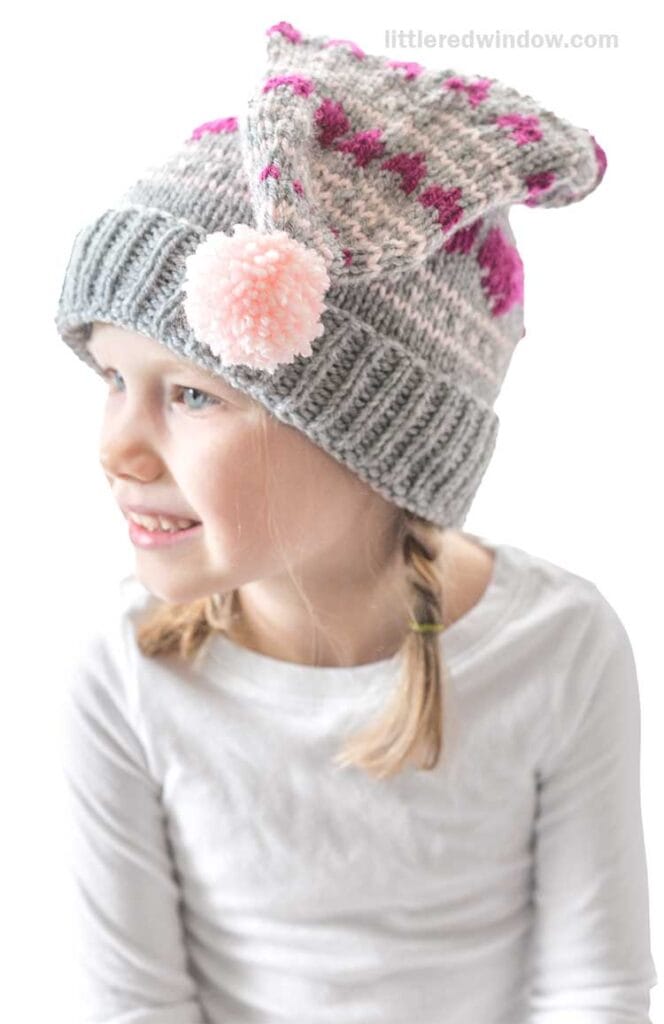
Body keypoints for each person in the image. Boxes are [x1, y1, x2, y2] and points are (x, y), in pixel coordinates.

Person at [54, 19, 658, 1024]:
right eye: (112, 378)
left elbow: (593, 990)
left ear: (374, 440)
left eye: (193, 395)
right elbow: (134, 1006)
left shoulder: (560, 647)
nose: (117, 449)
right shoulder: (124, 672)